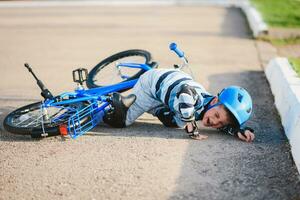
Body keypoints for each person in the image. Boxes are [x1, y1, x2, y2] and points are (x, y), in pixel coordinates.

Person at [103, 68, 255, 142]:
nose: (215, 122)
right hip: (150, 88)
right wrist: (191, 126)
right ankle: (107, 103)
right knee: (122, 121)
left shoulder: (213, 109)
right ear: (214, 101)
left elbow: (224, 124)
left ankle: (159, 111)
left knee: (178, 121)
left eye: (220, 122)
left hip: (168, 88)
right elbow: (185, 92)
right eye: (216, 116)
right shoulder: (199, 99)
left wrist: (237, 130)